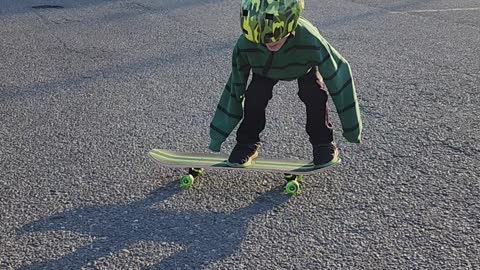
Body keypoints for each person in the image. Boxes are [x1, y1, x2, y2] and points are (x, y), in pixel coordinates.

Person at [208, 0, 362, 167]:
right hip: (264, 69)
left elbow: (339, 77)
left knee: (314, 96)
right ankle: (246, 144)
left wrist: (352, 130)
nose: (268, 44)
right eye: (262, 41)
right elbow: (234, 90)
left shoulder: (310, 39)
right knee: (254, 98)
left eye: (274, 40)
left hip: (303, 67)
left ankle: (323, 144)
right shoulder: (246, 44)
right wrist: (217, 138)